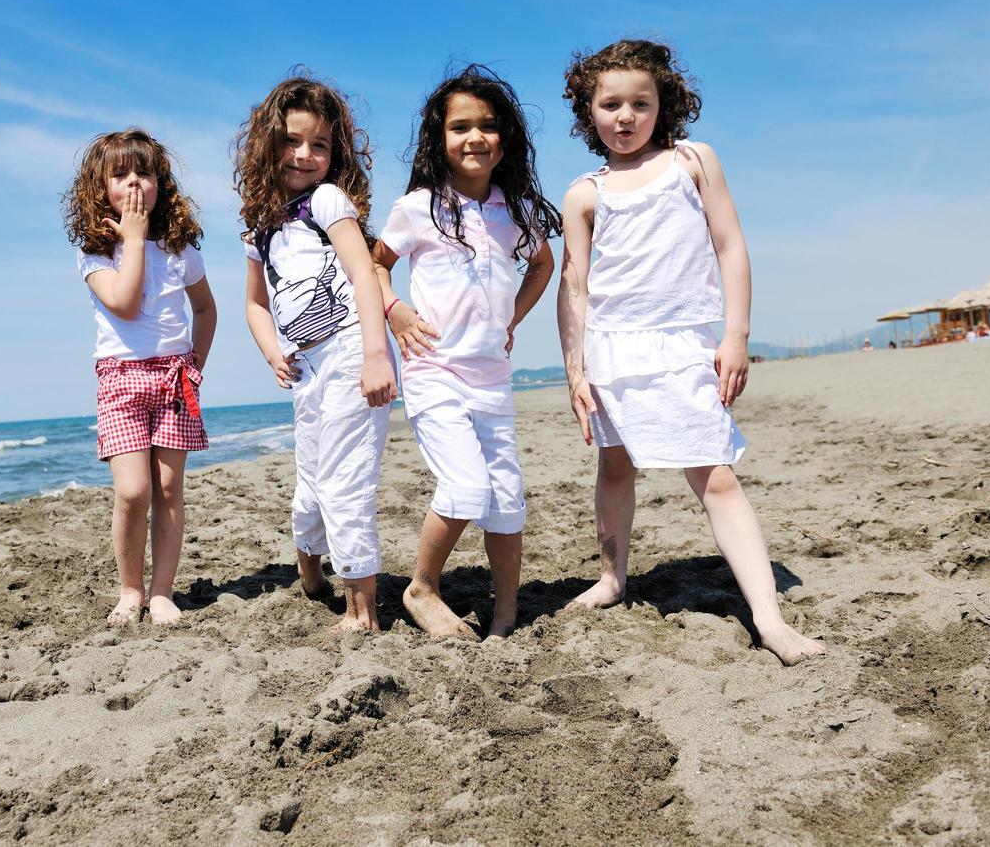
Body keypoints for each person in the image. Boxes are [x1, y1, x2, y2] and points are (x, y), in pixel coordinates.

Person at [556, 40, 825, 665]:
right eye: (611, 104)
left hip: (682, 343)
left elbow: (730, 245)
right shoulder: (584, 194)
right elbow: (574, 288)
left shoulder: (692, 161)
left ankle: (768, 618)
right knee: (615, 466)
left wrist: (736, 336)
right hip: (611, 351)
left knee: (716, 476)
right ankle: (613, 578)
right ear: (588, 112)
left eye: (640, 103)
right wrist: (575, 369)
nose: (625, 116)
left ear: (663, 105)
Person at [374, 65, 561, 639]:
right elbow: (375, 266)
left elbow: (543, 265)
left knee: (506, 499)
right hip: (434, 373)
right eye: (460, 127)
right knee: (465, 487)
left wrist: (511, 318)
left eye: (487, 126)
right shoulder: (418, 207)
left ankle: (505, 616)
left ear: (506, 138)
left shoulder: (515, 211)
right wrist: (394, 308)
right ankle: (421, 587)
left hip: (492, 377)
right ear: (440, 139)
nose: (474, 137)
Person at [238, 74, 398, 633]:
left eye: (320, 145)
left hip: (355, 348)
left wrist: (377, 354)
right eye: (292, 140)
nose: (305, 155)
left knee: (346, 478)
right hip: (307, 364)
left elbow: (363, 273)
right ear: (267, 144)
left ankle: (362, 610)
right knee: (311, 479)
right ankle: (311, 574)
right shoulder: (260, 226)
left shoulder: (326, 200)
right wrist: (271, 352)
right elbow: (255, 304)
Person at [64, 129, 217, 626]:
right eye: (120, 174)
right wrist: (130, 240)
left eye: (144, 172)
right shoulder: (95, 254)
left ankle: (162, 592)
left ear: (161, 183)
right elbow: (125, 305)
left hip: (174, 379)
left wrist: (194, 365)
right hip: (121, 379)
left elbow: (206, 309)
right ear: (100, 188)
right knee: (134, 492)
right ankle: (130, 590)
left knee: (170, 489)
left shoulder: (180, 251)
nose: (134, 183)